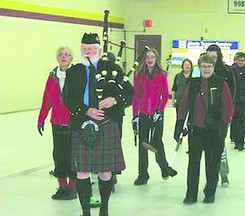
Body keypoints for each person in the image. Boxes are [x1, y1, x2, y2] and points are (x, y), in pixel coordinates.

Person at [64, 33, 133, 216]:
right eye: (85, 49)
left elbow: (129, 92)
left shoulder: (111, 68)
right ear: (80, 50)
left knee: (106, 172)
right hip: (82, 124)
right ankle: (85, 212)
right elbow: (67, 99)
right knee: (81, 172)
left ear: (99, 50)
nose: (88, 52)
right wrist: (86, 110)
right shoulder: (74, 71)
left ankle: (104, 209)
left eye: (91, 49)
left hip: (106, 123)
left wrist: (114, 99)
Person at [176, 54, 234, 204]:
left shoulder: (221, 84)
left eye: (209, 66)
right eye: (203, 66)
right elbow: (183, 105)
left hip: (214, 131)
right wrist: (179, 123)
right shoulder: (193, 84)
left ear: (213, 68)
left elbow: (228, 107)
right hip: (196, 130)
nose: (206, 69)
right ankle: (191, 194)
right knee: (193, 164)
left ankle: (210, 192)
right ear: (199, 68)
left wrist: (223, 126)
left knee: (212, 164)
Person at [132, 48, 177, 186]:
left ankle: (164, 168)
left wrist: (160, 110)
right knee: (143, 144)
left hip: (157, 114)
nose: (150, 59)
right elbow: (136, 96)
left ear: (156, 59)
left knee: (157, 141)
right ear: (144, 60)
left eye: (152, 57)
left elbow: (165, 95)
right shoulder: (139, 75)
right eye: (147, 57)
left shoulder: (161, 75)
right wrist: (135, 116)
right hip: (143, 113)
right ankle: (143, 175)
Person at [37, 46, 76, 200]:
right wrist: (41, 118)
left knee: (73, 156)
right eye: (60, 54)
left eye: (67, 55)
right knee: (59, 155)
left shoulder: (76, 74)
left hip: (73, 121)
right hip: (57, 122)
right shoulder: (53, 76)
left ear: (71, 58)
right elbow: (47, 99)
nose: (63, 57)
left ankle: (73, 187)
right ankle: (62, 186)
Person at [206, 44, 236, 187]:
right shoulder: (202, 70)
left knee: (220, 146)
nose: (212, 60)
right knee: (208, 148)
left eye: (214, 57)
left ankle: (223, 174)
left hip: (220, 116)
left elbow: (232, 91)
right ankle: (210, 176)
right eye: (209, 57)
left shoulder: (226, 71)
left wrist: (228, 113)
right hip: (204, 116)